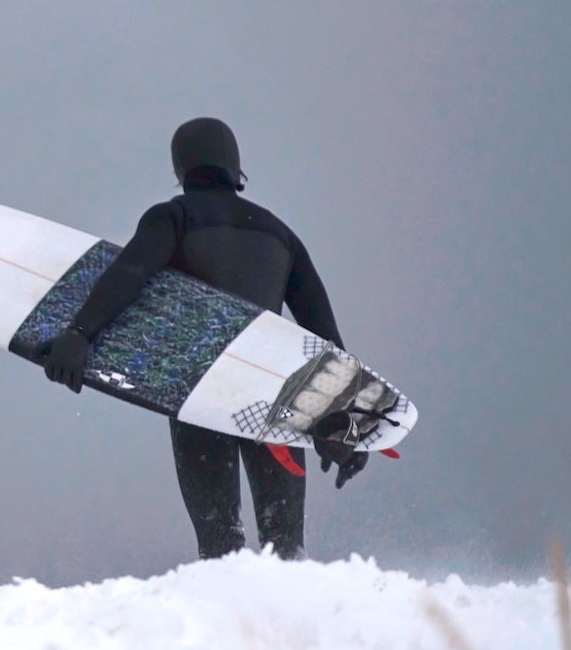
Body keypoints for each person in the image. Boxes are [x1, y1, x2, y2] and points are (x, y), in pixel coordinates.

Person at [37, 118, 363, 560]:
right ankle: (294, 623)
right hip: (272, 396)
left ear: (181, 169)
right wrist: (343, 420)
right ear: (235, 166)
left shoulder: (174, 217)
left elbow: (129, 275)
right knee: (287, 548)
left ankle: (230, 623)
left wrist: (79, 334)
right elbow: (325, 337)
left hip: (202, 394)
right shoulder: (281, 236)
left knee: (220, 543)